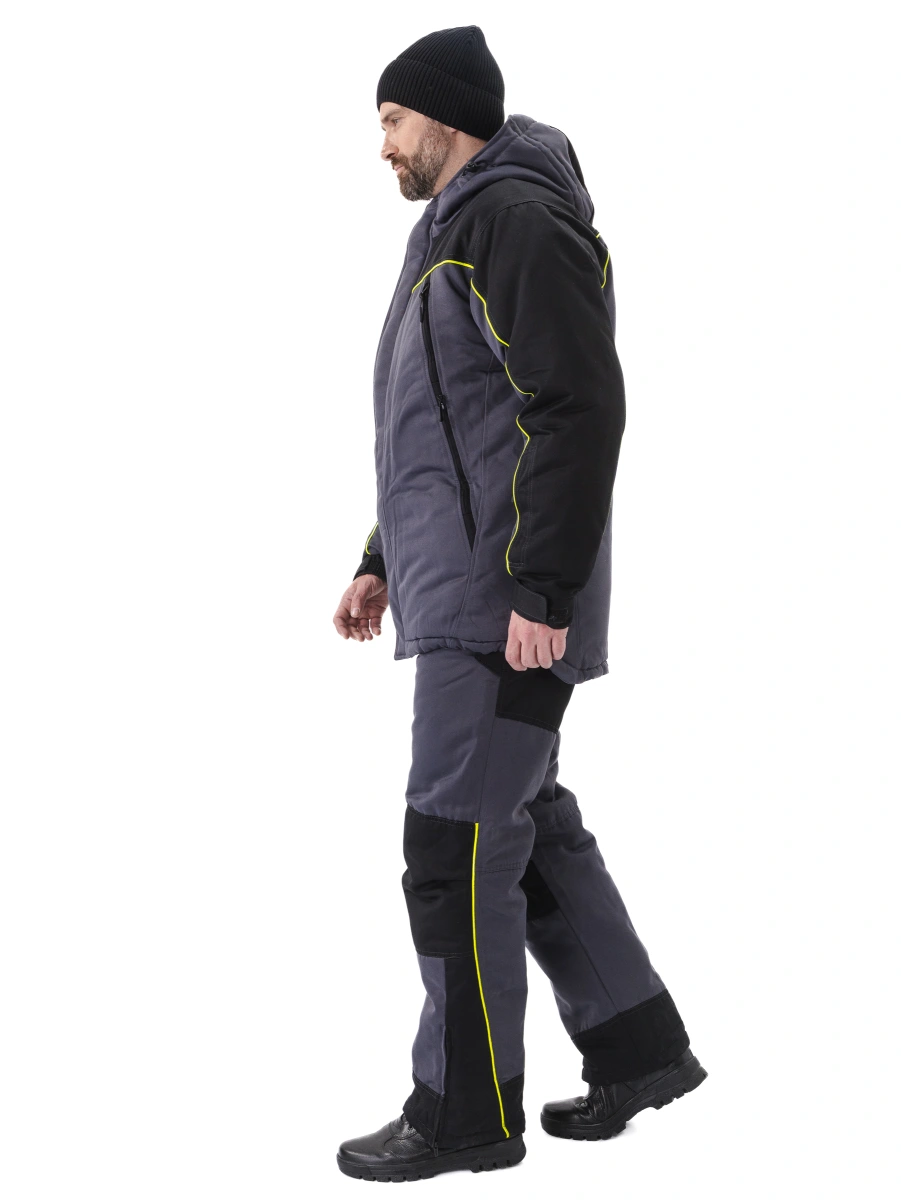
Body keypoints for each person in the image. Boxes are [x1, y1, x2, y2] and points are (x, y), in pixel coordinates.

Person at [332, 24, 706, 1183]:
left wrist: (541, 585)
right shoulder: (452, 227)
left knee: (453, 843)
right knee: (523, 819)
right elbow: (449, 427)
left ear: (445, 118)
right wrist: (382, 557)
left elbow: (574, 404)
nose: (381, 144)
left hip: (504, 605)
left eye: (393, 120)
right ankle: (637, 1047)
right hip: (465, 589)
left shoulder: (513, 219)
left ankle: (463, 1113)